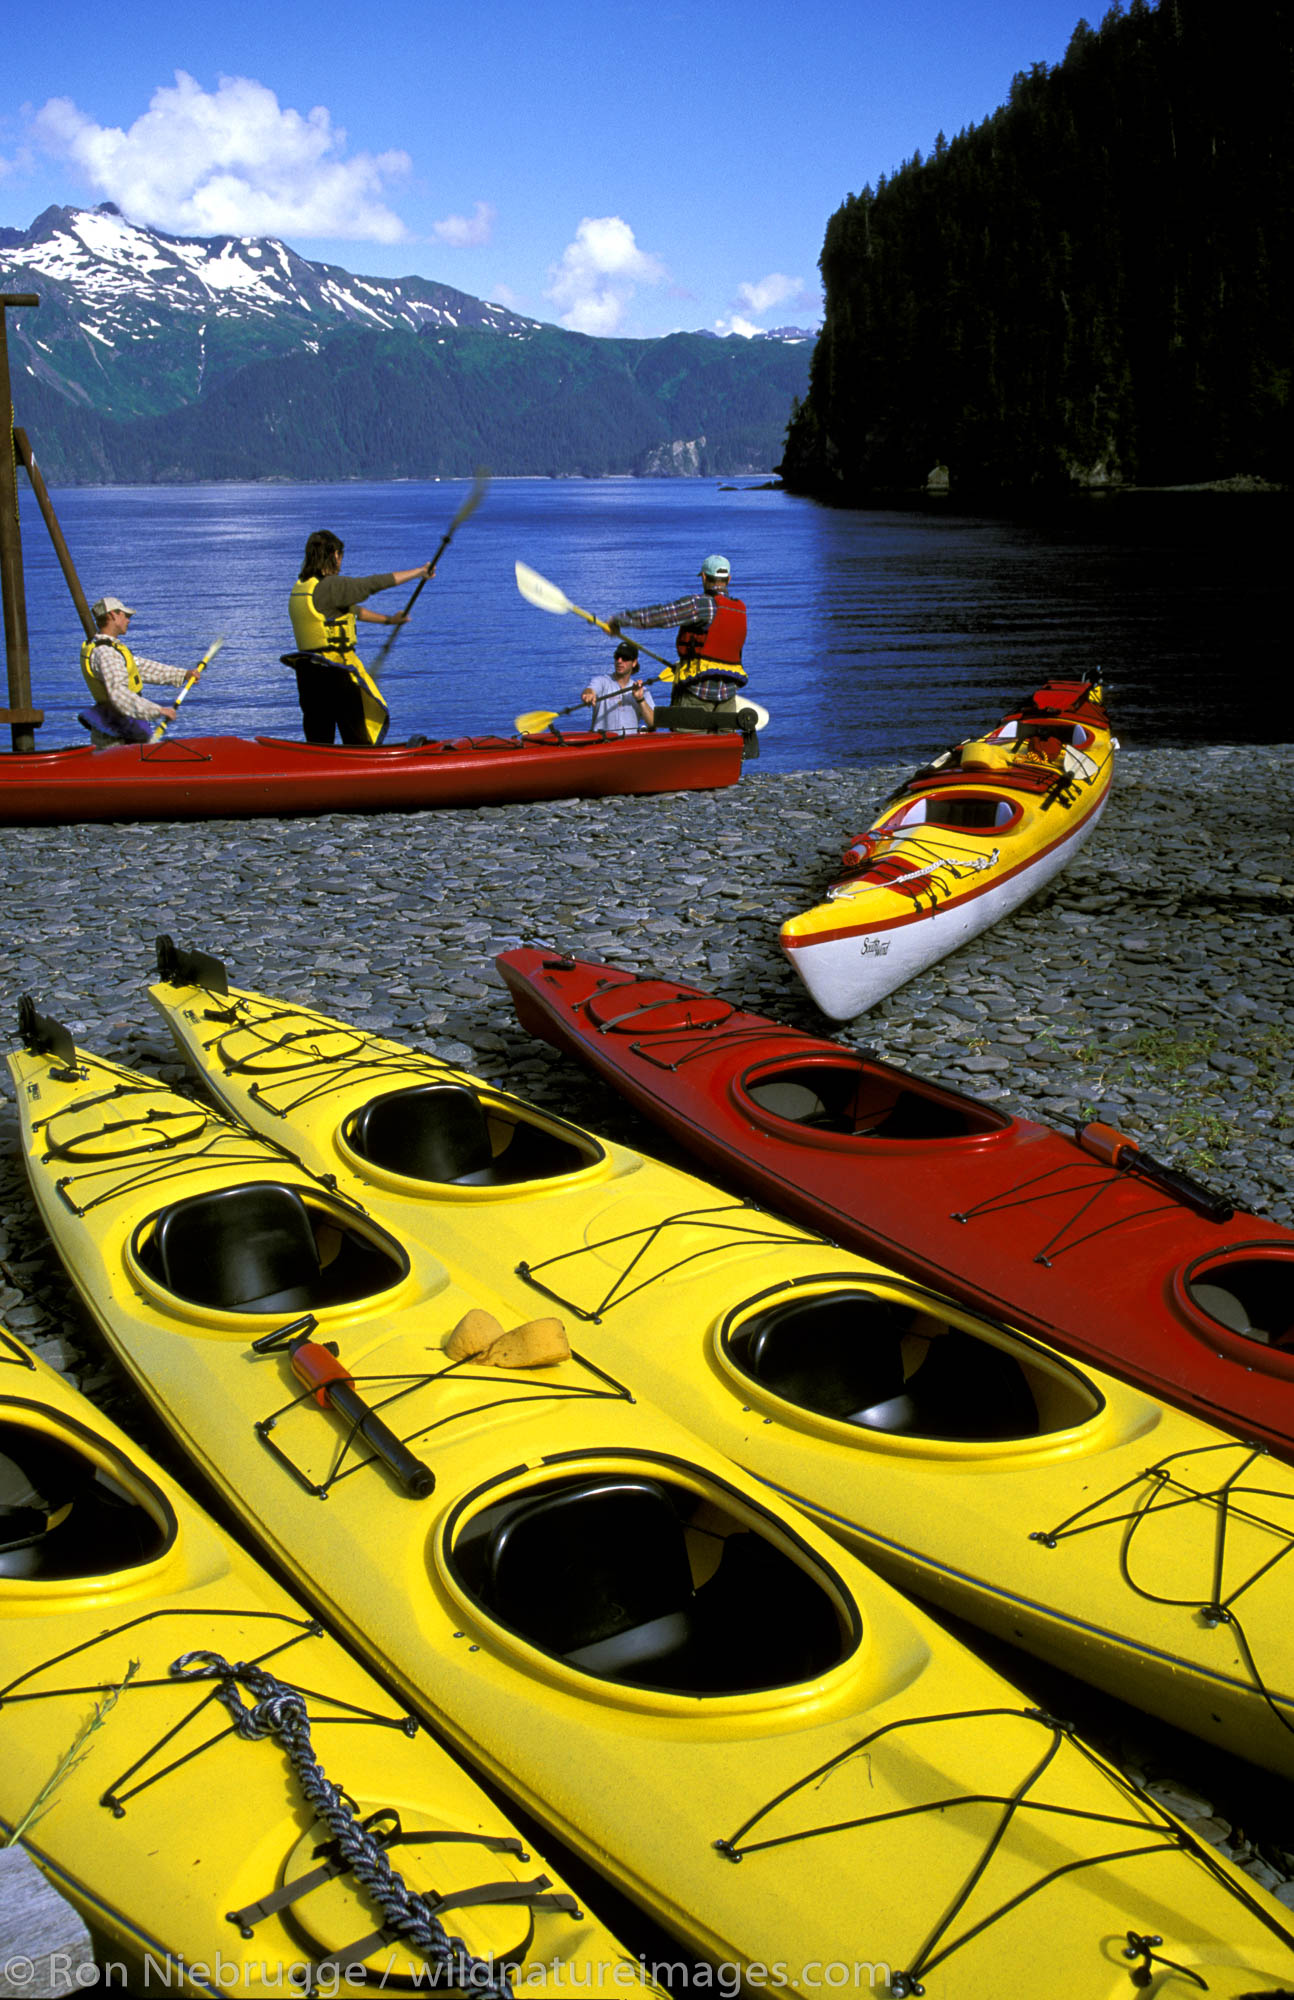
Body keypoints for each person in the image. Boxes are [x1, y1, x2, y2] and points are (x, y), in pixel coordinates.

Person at [287, 531, 435, 746]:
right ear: (335, 555)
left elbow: (352, 611)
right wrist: (419, 572)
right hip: (335, 674)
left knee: (318, 738)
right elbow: (372, 584)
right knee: (356, 737)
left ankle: (319, 771)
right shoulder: (331, 586)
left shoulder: (303, 587)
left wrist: (389, 620)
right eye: (340, 556)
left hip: (308, 674)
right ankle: (363, 772)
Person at [607, 554, 747, 728]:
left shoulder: (701, 604)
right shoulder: (740, 610)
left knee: (688, 748)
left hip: (696, 693)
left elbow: (662, 615)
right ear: (729, 579)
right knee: (721, 749)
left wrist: (619, 620)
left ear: (704, 577)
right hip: (728, 696)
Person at [77, 597, 192, 746]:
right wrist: (158, 711)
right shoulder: (106, 653)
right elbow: (119, 694)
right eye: (126, 615)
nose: (128, 620)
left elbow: (141, 667)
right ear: (113, 615)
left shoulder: (111, 648)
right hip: (116, 733)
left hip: (121, 724)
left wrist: (182, 675)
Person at [581, 641, 655, 734]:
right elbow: (591, 689)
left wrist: (640, 700)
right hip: (602, 743)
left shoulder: (642, 690)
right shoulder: (601, 681)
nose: (619, 661)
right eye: (617, 657)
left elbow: (653, 724)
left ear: (634, 662)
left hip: (628, 744)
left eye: (625, 658)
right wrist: (588, 694)